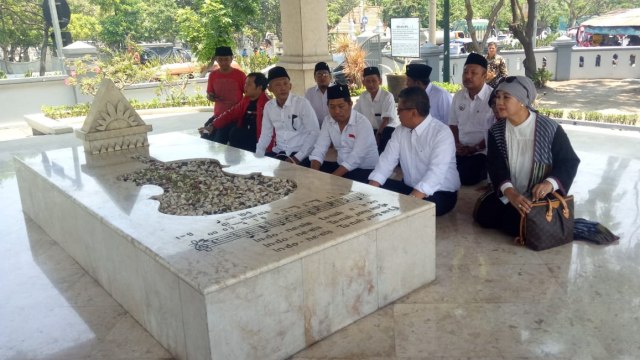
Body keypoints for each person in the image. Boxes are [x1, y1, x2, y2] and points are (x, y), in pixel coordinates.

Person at [473, 76, 580, 236]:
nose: (498, 102)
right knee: (484, 215)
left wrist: (548, 184)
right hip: (511, 192)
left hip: (538, 195)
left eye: (506, 97)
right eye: (498, 97)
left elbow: (569, 161)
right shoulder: (496, 131)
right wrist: (511, 193)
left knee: (517, 222)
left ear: (522, 101)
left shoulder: (549, 128)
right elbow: (495, 166)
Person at [368, 87, 460, 216]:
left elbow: (436, 173)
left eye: (399, 109)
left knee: (413, 209)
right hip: (409, 188)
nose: (397, 113)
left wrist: (412, 201)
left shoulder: (441, 132)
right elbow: (387, 161)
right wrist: (370, 189)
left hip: (439, 193)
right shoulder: (400, 131)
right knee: (372, 186)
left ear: (413, 112)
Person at [309, 84, 379, 183]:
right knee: (310, 172)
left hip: (365, 170)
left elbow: (356, 157)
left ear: (350, 104)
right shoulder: (328, 120)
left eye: (341, 106)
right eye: (332, 107)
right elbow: (320, 148)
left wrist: (332, 178)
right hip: (342, 166)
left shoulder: (362, 123)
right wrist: (313, 174)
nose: (336, 111)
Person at [256, 66, 320, 166]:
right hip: (280, 152)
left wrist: (298, 157)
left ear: (290, 86)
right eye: (277, 85)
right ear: (270, 88)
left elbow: (314, 132)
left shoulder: (302, 103)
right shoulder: (269, 107)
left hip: (302, 154)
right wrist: (258, 155)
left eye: (285, 83)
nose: (283, 88)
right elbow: (266, 134)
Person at [449, 53, 496, 186]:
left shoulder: (493, 98)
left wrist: (474, 148)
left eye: (473, 73)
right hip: (460, 150)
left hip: (482, 152)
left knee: (466, 176)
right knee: (439, 166)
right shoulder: (458, 96)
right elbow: (453, 125)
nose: (468, 76)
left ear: (484, 75)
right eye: (465, 72)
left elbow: (495, 133)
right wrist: (457, 144)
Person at [200, 72, 273, 153]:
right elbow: (230, 113)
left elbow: (273, 132)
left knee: (235, 133)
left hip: (257, 141)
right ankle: (207, 155)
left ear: (259, 88)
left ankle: (219, 155)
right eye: (245, 83)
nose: (245, 87)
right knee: (211, 127)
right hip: (243, 135)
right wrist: (212, 125)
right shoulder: (246, 100)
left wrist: (267, 149)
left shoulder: (268, 105)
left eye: (249, 84)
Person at [204, 46, 246, 144]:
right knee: (205, 134)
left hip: (235, 117)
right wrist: (210, 96)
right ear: (216, 60)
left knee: (219, 140)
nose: (223, 63)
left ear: (232, 58)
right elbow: (209, 93)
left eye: (226, 59)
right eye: (220, 60)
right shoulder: (213, 75)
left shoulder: (240, 75)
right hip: (218, 115)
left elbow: (248, 94)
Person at [354, 66, 399, 153]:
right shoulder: (363, 96)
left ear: (380, 81)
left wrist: (377, 136)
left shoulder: (387, 96)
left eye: (374, 81)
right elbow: (354, 114)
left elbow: (386, 120)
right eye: (368, 81)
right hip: (370, 131)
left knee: (386, 133)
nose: (371, 84)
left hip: (385, 131)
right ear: (364, 82)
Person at [304, 62, 333, 127]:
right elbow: (306, 113)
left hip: (334, 128)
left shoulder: (336, 91)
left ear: (330, 77)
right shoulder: (309, 93)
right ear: (315, 77)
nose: (322, 77)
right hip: (315, 129)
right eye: (319, 75)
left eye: (325, 74)